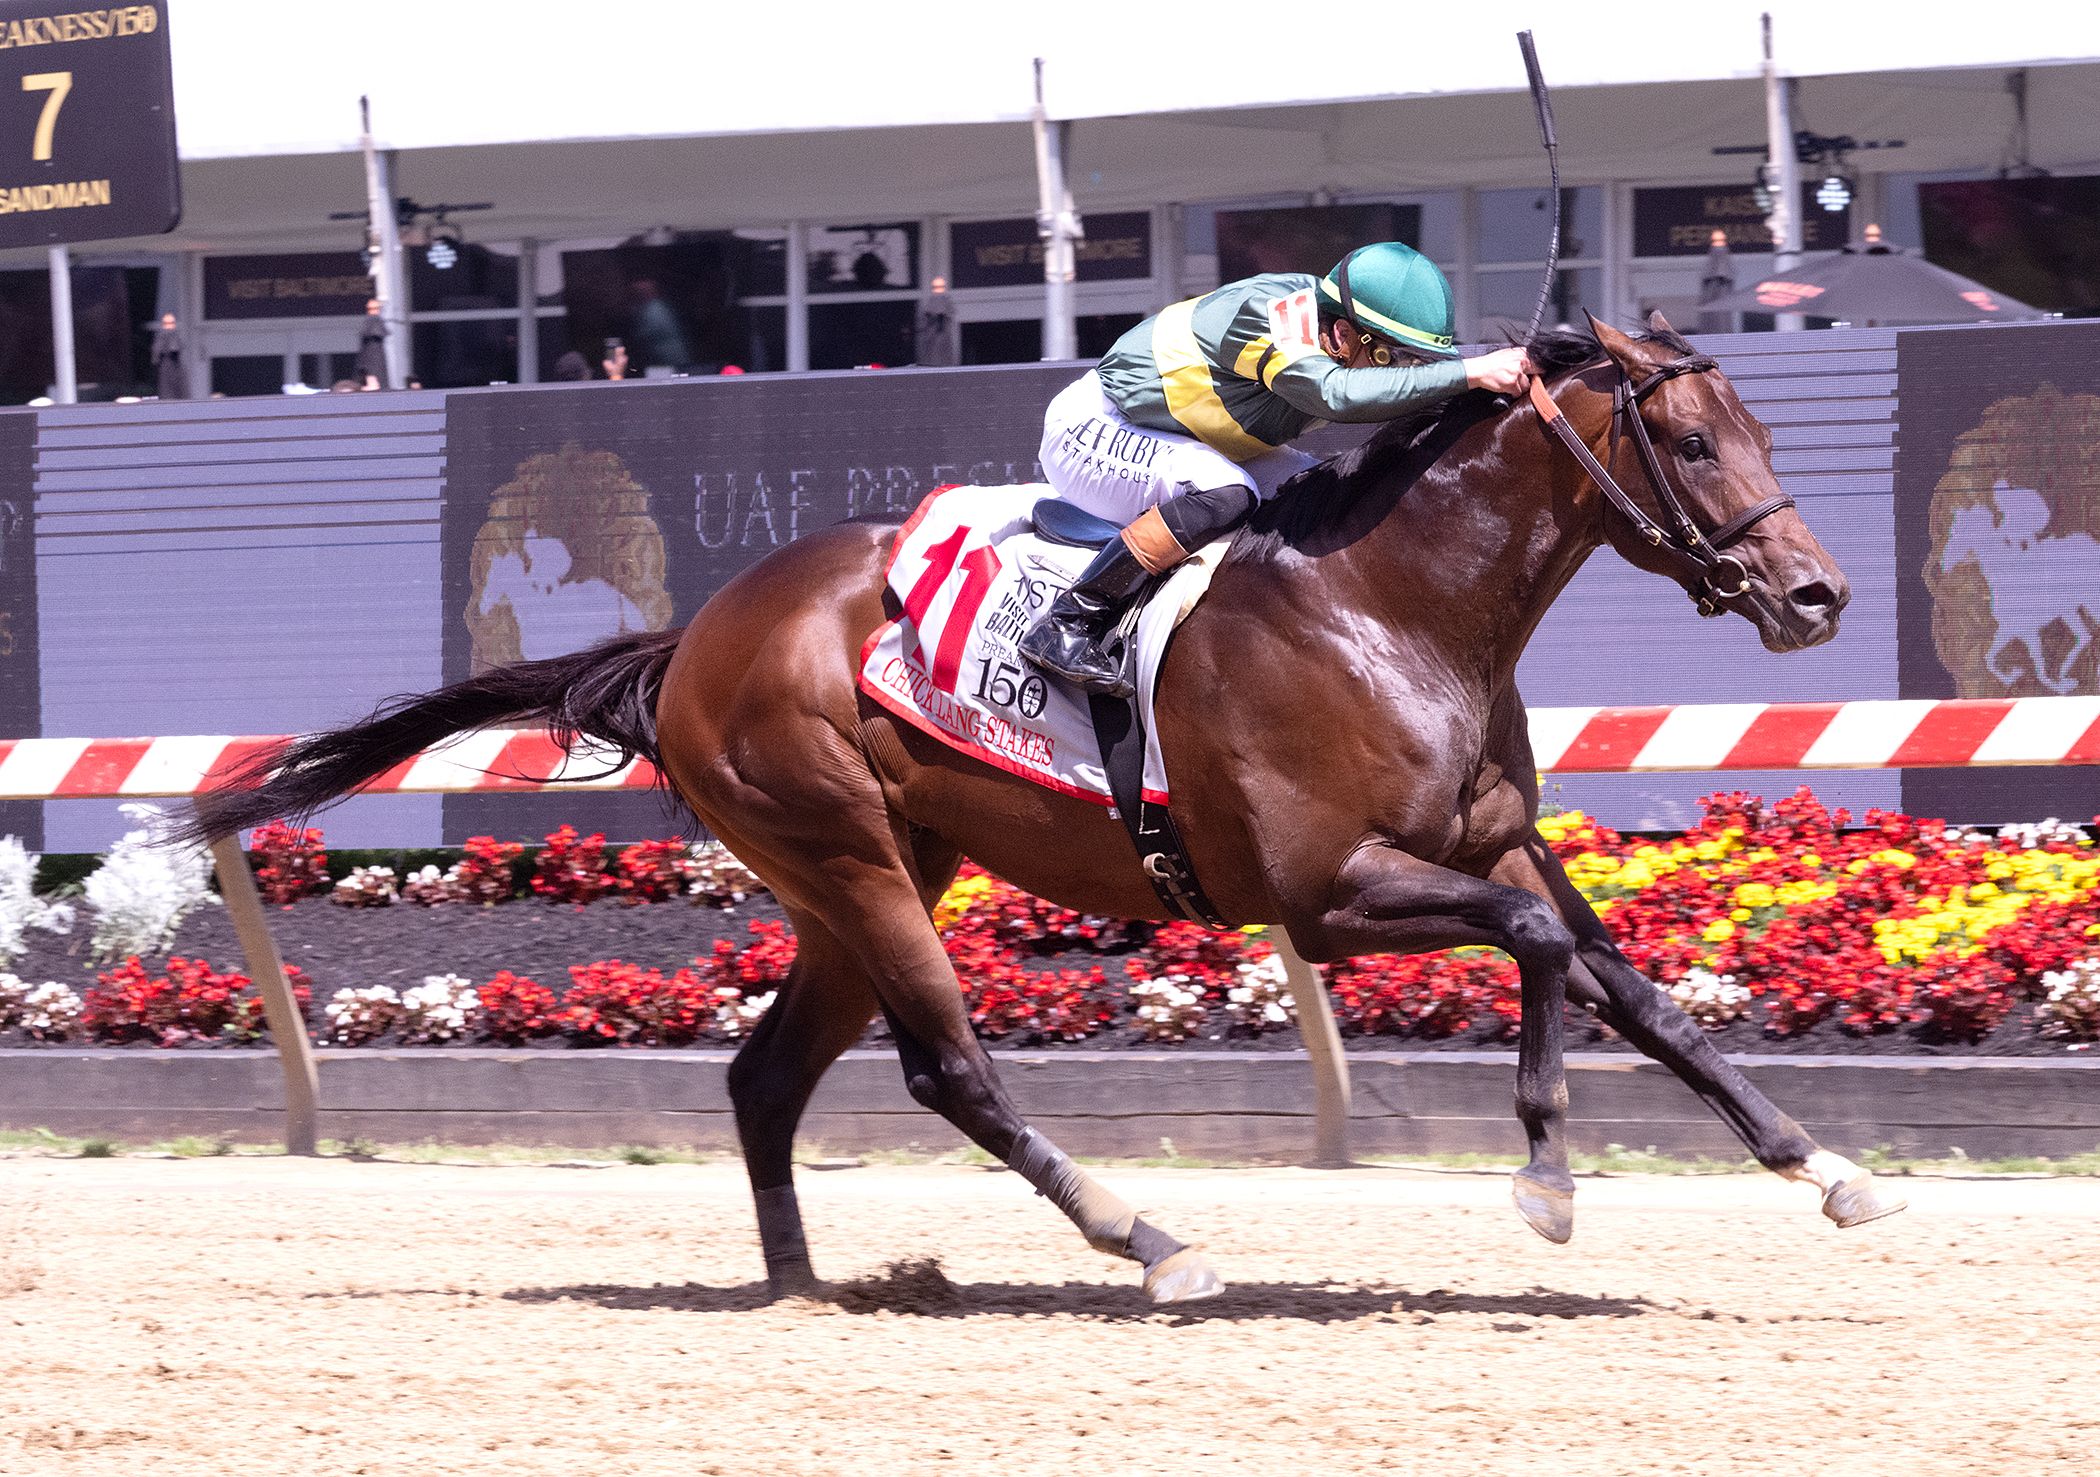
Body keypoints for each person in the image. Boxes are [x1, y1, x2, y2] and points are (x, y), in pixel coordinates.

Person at [1018, 241, 1534, 694]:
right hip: (1094, 427)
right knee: (1228, 493)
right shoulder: (1271, 315)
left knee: (1322, 491)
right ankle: (1071, 621)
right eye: (1393, 360)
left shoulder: (1334, 330)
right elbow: (1338, 395)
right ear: (1342, 335)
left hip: (1195, 437)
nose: (1404, 375)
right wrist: (1471, 371)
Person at [151, 312, 186, 400]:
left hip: (177, 365)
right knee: (167, 389)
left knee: (180, 388)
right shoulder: (161, 337)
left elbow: (177, 348)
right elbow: (156, 352)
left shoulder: (177, 335)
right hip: (166, 364)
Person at [357, 298, 388, 389]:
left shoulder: (374, 322)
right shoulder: (372, 322)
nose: (373, 312)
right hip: (370, 370)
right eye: (371, 309)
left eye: (376, 309)